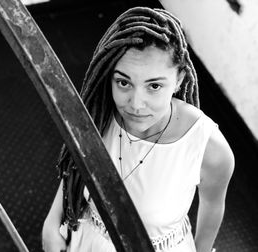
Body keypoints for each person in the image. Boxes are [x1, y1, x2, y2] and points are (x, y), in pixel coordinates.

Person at [42, 6, 234, 252]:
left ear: (180, 80)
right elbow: (77, 167)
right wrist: (52, 221)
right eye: (123, 82)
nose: (135, 104)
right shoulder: (98, 114)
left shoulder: (209, 148)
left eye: (154, 86)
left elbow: (213, 205)